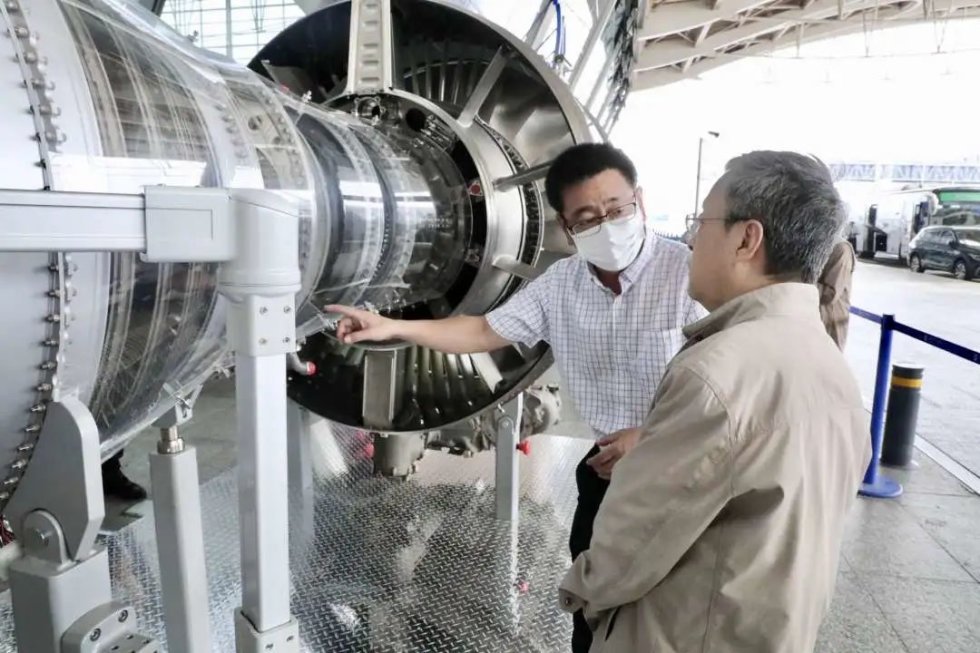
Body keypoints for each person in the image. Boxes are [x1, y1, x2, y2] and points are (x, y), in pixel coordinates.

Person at [326, 142, 705, 653]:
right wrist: (393, 325)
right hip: (607, 472)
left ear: (639, 199)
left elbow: (732, 387)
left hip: (680, 473)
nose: (608, 225)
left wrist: (652, 436)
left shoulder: (688, 277)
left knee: (673, 612)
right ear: (567, 227)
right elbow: (484, 330)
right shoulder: (562, 283)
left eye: (617, 209)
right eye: (588, 219)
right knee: (591, 601)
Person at [558, 151, 872, 653]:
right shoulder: (832, 368)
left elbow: (632, 543)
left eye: (701, 222)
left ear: (747, 239)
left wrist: (580, 591)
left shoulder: (714, 374)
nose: (690, 239)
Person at [817, 237, 856, 349]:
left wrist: (797, 280)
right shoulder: (817, 244)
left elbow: (830, 293)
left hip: (831, 319)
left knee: (828, 355)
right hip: (816, 317)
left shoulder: (841, 249)